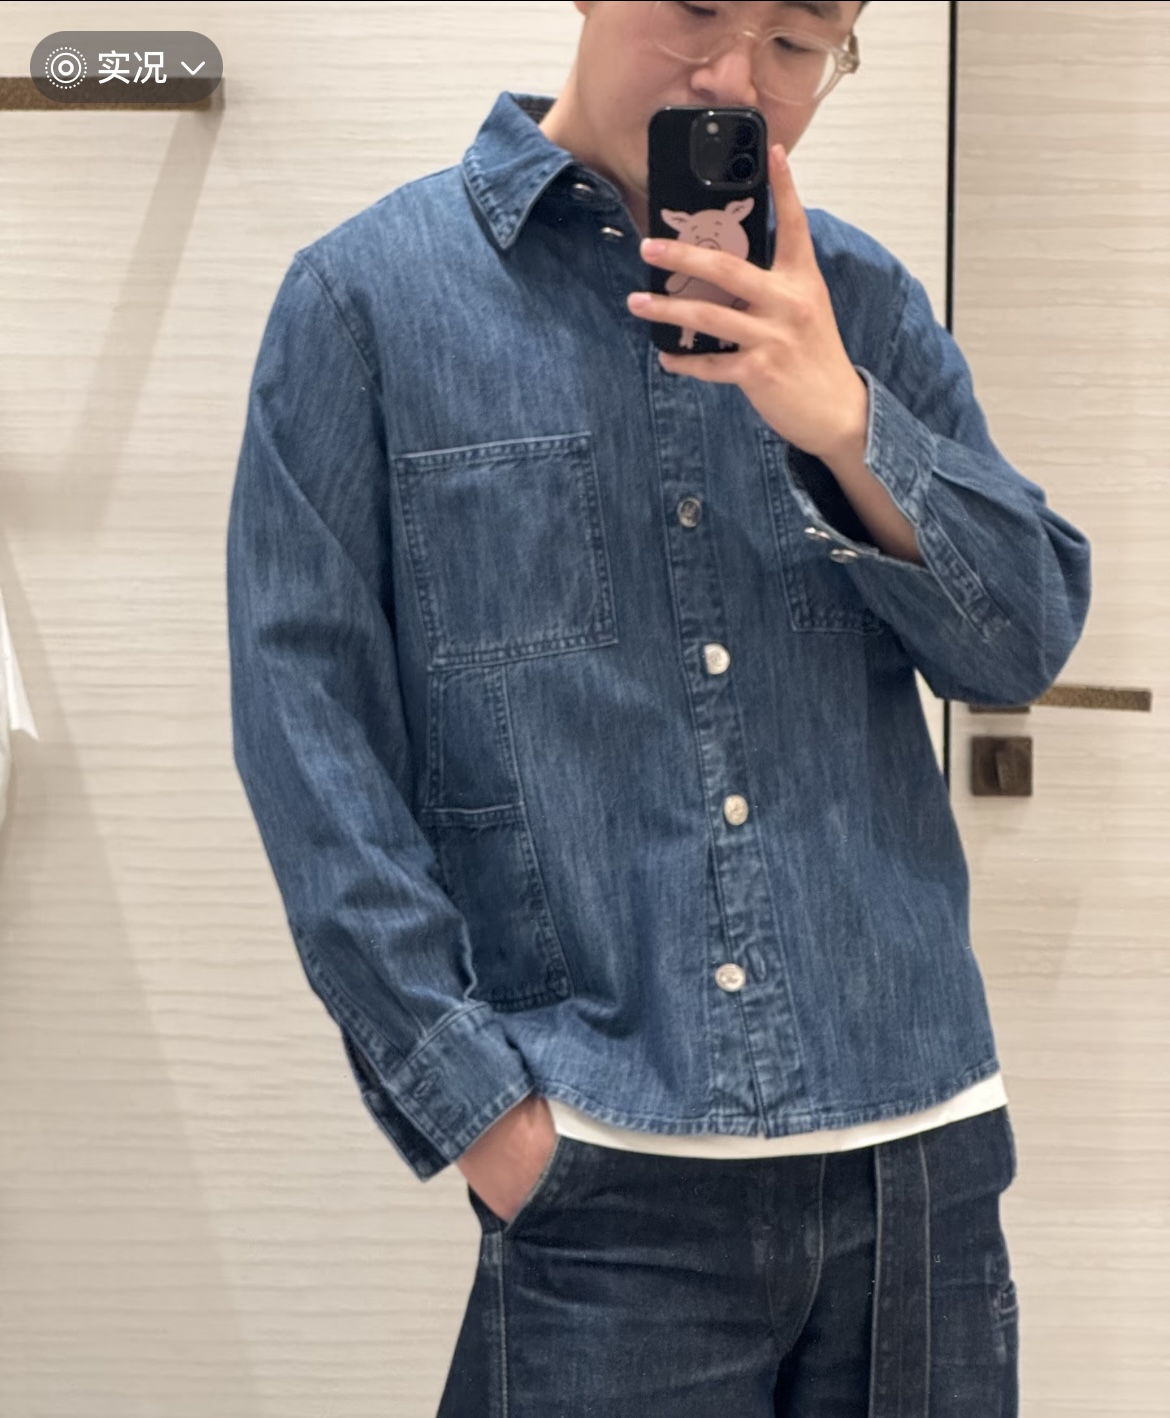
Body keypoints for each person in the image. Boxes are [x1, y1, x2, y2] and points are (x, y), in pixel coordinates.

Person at [227, 2, 1091, 1413]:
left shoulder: (860, 302)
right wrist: (480, 1110)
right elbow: (307, 738)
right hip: (603, 1179)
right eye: (696, 4)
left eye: (796, 41)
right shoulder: (364, 303)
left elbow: (1023, 640)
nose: (732, 74)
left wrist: (844, 421)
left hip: (917, 1164)